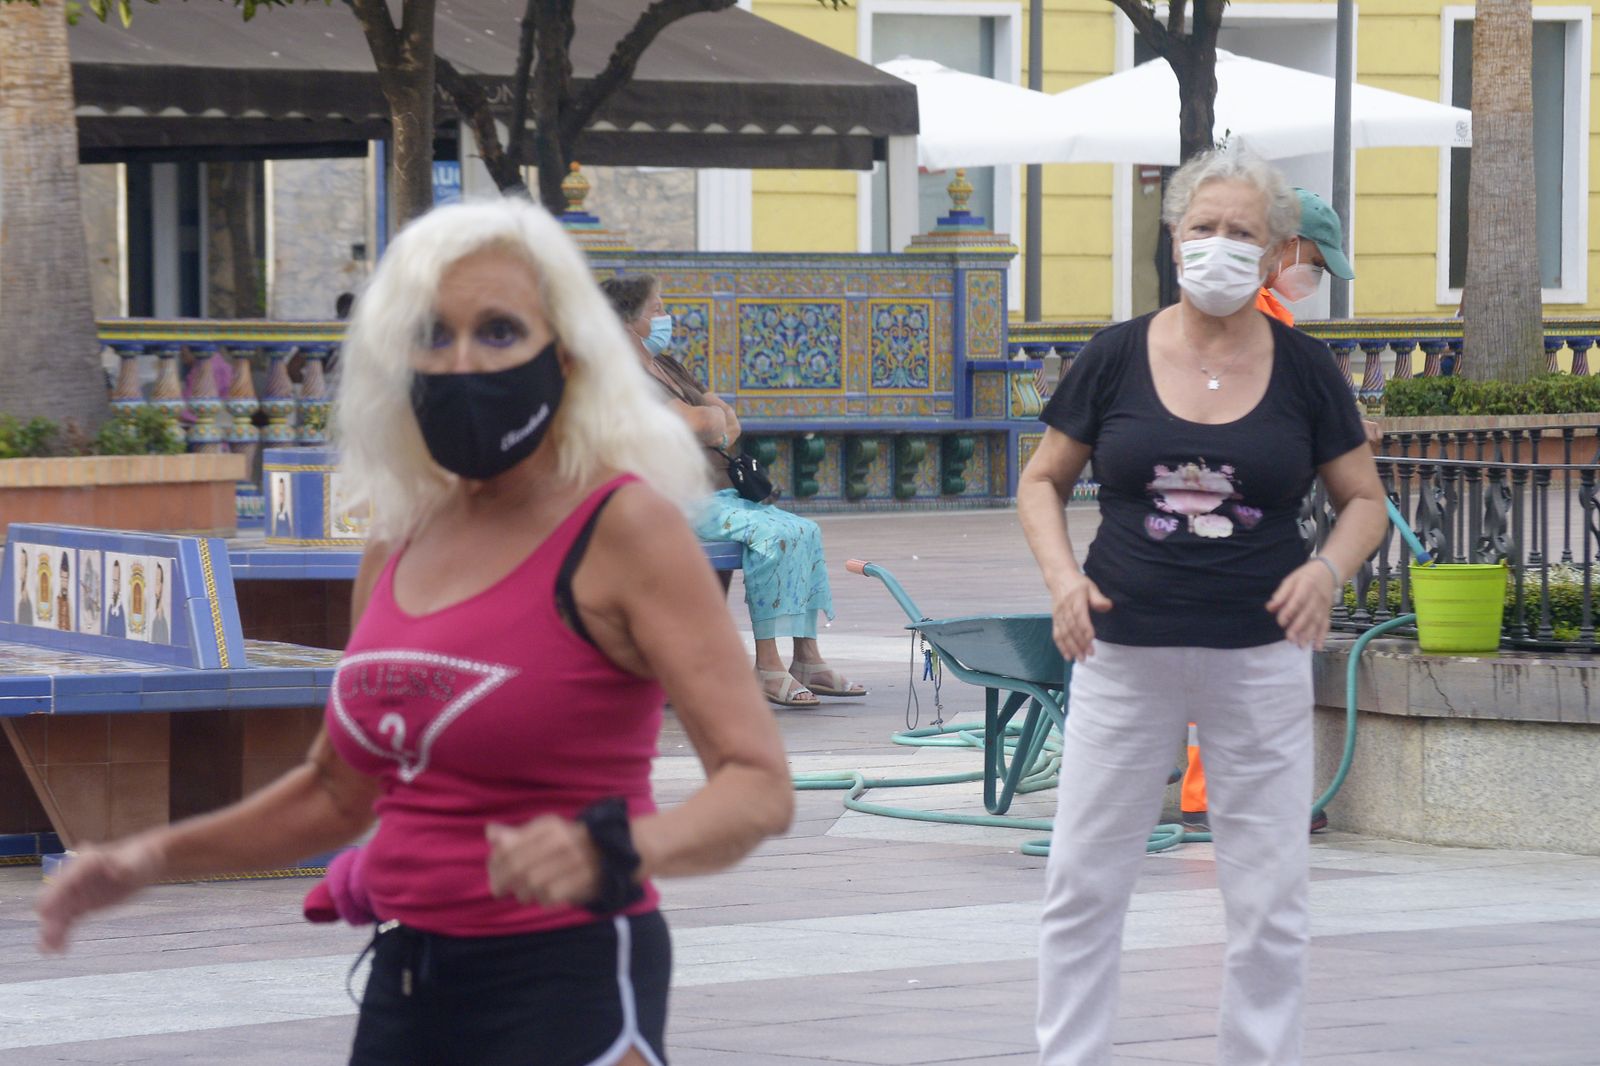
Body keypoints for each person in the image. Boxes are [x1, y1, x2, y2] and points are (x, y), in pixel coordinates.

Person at [37, 198, 796, 1066]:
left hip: (570, 983)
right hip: (411, 980)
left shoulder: (625, 529)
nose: (463, 362)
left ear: (570, 354)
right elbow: (336, 792)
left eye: (501, 331)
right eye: (433, 334)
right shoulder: (398, 541)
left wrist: (615, 850)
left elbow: (758, 787)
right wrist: (144, 859)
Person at [1018, 146, 1387, 1066]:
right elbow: (1040, 482)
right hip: (1122, 649)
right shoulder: (1113, 357)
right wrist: (1065, 582)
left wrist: (1326, 573)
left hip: (1259, 653)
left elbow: (1365, 502)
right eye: (1203, 228)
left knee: (1268, 892)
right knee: (1084, 879)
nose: (1219, 247)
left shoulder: (1305, 371)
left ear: (1273, 255)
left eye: (1242, 234)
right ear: (1173, 239)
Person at [1182, 188, 1376, 832]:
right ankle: (1222, 800)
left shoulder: (1252, 316)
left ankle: (1222, 796)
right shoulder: (1260, 318)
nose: (1313, 276)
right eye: (1315, 261)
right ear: (1286, 246)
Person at [599, 274, 865, 708]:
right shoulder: (621, 376)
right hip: (673, 500)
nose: (667, 317)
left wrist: (710, 422)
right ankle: (767, 665)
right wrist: (710, 422)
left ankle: (807, 658)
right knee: (771, 536)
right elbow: (700, 423)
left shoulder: (665, 366)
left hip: (722, 494)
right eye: (658, 309)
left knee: (804, 531)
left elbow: (725, 418)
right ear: (630, 321)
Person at [105, 559, 126, 639]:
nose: (114, 585)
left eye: (116, 581)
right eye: (113, 581)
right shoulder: (110, 608)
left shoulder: (121, 610)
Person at [149, 562, 168, 644]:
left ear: (162, 584)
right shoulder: (154, 619)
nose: (155, 587)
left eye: (157, 582)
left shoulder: (164, 620)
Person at [55, 553, 71, 632]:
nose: (64, 583)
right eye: (62, 578)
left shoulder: (70, 603)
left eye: (66, 579)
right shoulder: (57, 600)